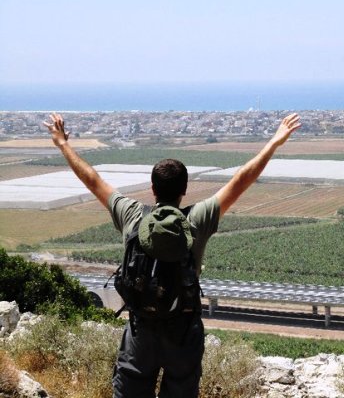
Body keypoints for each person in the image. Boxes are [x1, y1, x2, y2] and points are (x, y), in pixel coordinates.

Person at [44, 111, 301, 398]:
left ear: (152, 189)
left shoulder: (131, 216)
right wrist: (275, 142)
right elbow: (241, 179)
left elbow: (93, 180)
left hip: (141, 329)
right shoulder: (197, 219)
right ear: (185, 190)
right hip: (183, 329)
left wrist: (63, 145)